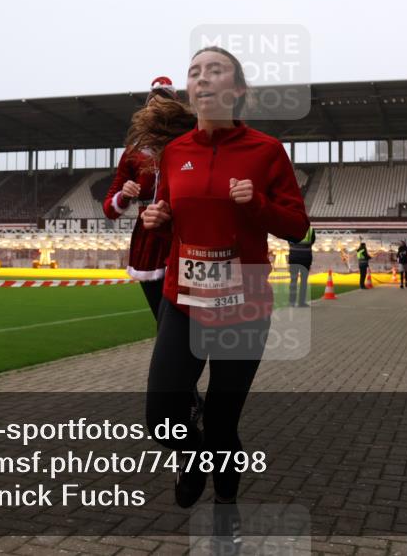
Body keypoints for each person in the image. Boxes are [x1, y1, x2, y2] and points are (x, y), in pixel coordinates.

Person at [142, 46, 309, 542]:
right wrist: (156, 218)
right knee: (161, 416)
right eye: (195, 72)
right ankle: (190, 465)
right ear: (190, 91)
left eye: (215, 70)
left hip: (244, 305)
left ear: (237, 90)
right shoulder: (175, 153)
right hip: (184, 300)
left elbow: (299, 226)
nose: (202, 78)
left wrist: (256, 202)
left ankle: (227, 500)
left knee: (220, 422)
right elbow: (167, 214)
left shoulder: (266, 150)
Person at [104, 76, 195, 319]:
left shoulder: (190, 143)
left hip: (184, 233)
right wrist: (124, 195)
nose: (155, 109)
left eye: (162, 104)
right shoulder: (133, 153)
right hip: (148, 239)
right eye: (151, 104)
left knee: (184, 314)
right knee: (162, 316)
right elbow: (109, 209)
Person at [288, 226, 316, 307]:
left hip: (294, 258)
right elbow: (312, 241)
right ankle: (301, 302)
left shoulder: (290, 229)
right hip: (305, 258)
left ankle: (291, 302)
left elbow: (289, 242)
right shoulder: (310, 230)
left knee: (293, 281)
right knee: (304, 282)